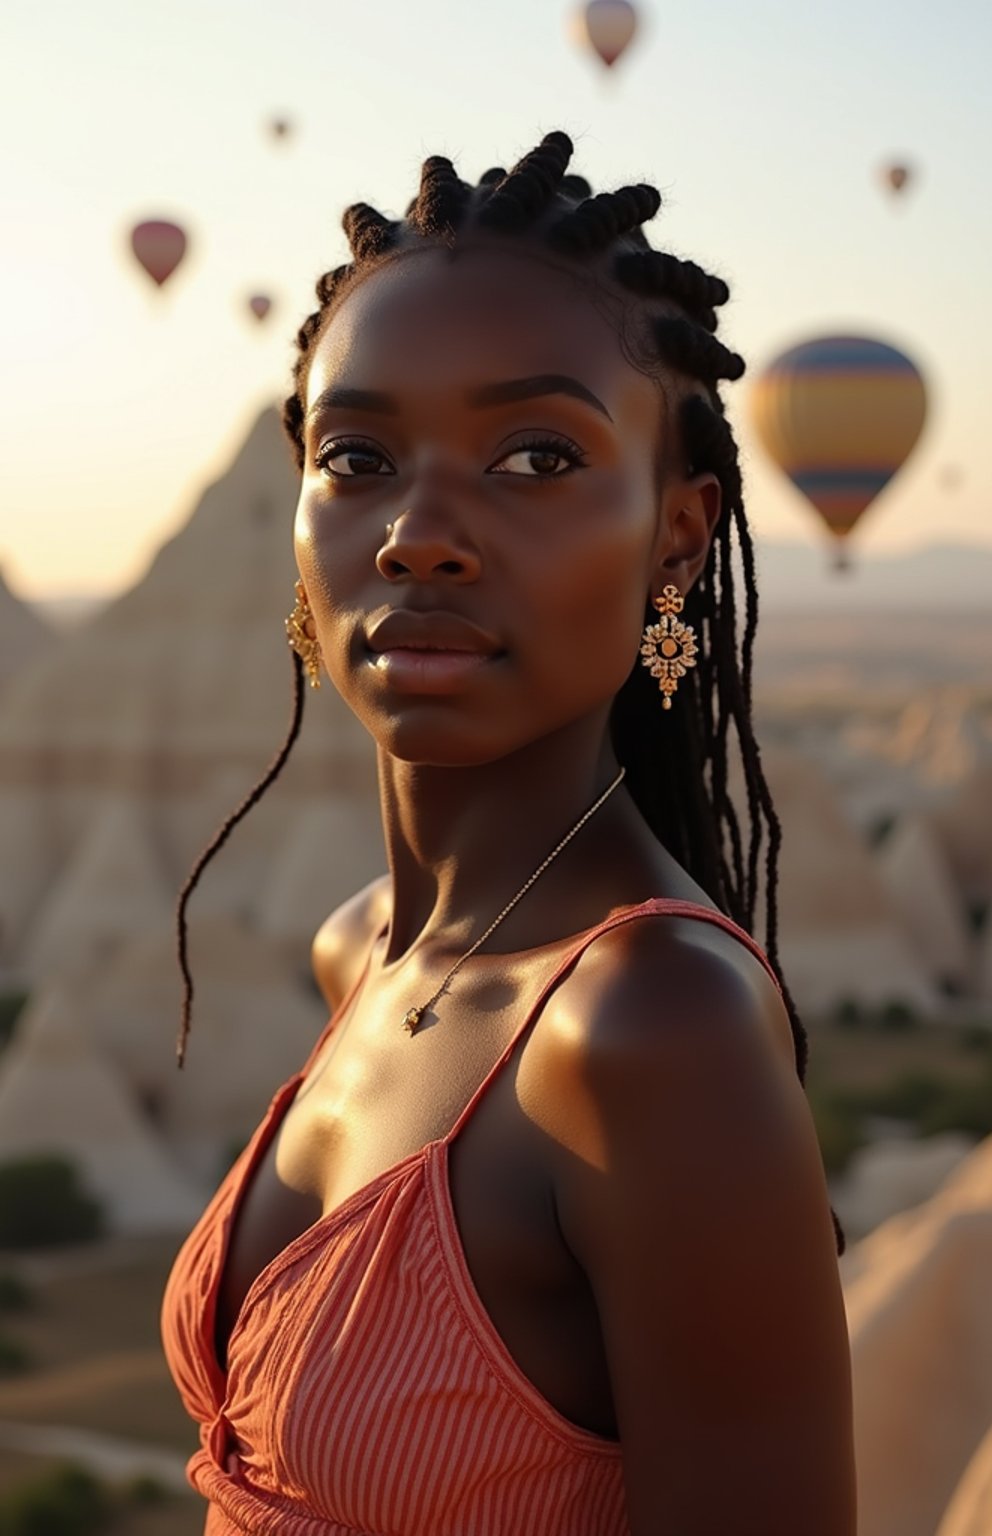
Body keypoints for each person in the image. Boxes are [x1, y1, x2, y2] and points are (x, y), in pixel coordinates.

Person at [161, 130, 857, 1535]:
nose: (420, 533)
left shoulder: (653, 1033)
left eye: (536, 455)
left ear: (677, 536)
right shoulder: (358, 949)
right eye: (356, 455)